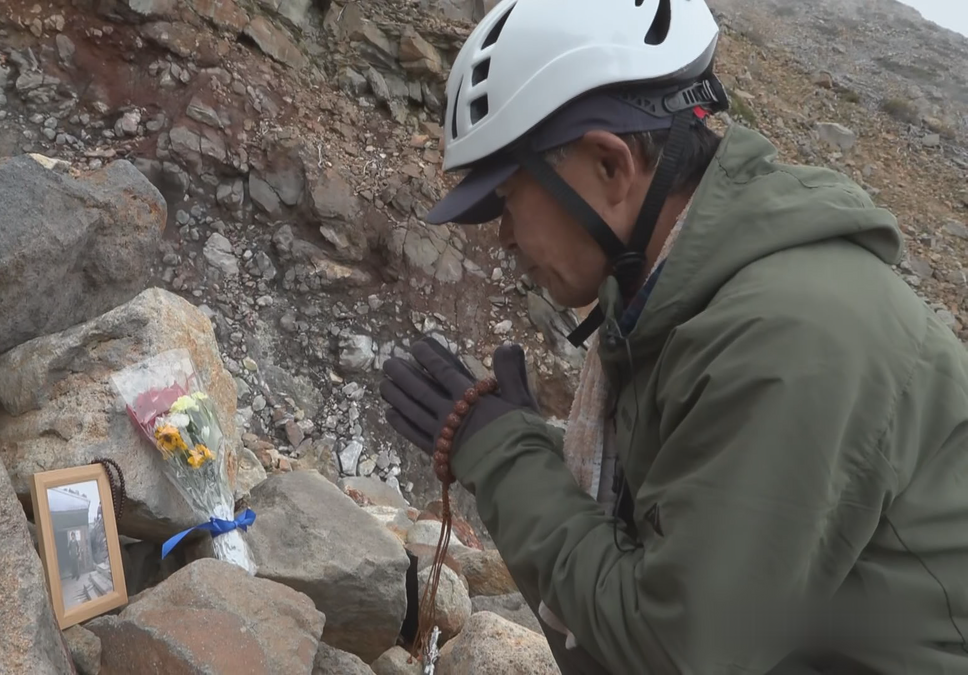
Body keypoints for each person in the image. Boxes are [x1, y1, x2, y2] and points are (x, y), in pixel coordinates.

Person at [379, 0, 968, 672]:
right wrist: (515, 447)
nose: (504, 236)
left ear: (610, 166)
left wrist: (511, 460)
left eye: (508, 197)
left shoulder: (787, 339)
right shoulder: (670, 309)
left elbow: (670, 650)